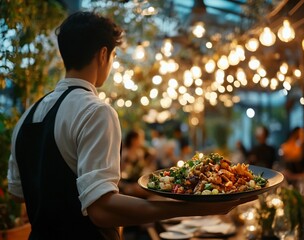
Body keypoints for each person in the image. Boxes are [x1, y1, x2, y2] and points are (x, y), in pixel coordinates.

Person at [7, 11, 255, 240]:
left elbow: (17, 193)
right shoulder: (95, 111)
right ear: (103, 54)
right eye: (113, 56)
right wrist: (193, 208)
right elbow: (101, 210)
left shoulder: (27, 116)